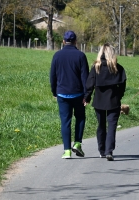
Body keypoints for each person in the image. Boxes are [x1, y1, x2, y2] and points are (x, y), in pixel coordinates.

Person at [50, 30, 89, 159]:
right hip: (78, 94)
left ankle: (66, 151)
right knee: (80, 118)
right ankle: (77, 143)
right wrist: (87, 95)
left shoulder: (57, 55)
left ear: (63, 41)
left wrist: (54, 91)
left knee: (65, 121)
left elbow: (53, 76)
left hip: (62, 94)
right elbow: (85, 77)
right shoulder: (81, 56)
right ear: (75, 41)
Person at [84, 43, 126, 161]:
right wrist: (119, 96)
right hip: (114, 100)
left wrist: (87, 98)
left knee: (101, 125)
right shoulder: (118, 68)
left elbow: (89, 85)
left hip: (99, 100)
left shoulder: (96, 68)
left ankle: (102, 150)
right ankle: (109, 151)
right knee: (112, 126)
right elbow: (122, 85)